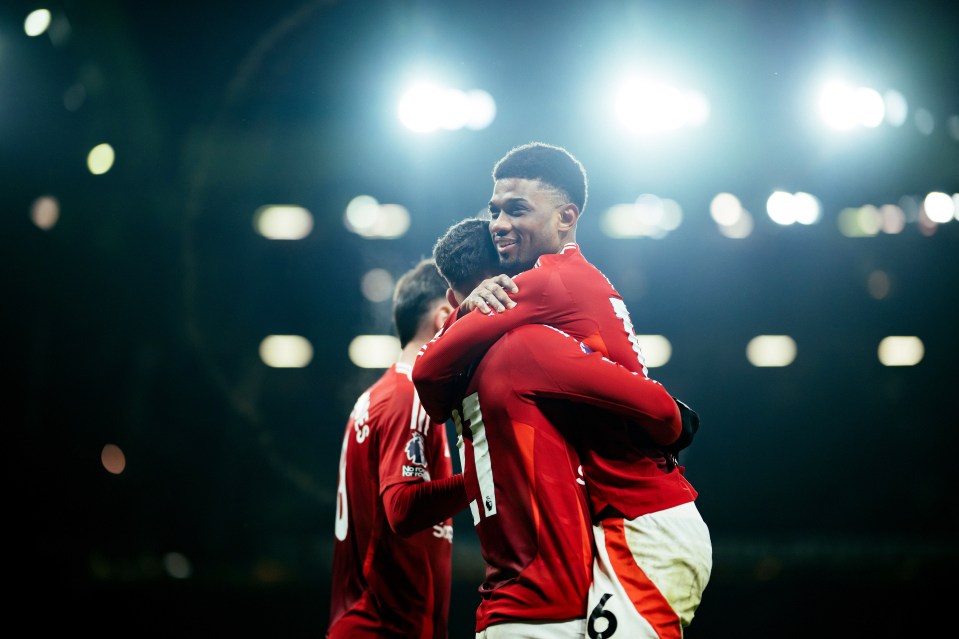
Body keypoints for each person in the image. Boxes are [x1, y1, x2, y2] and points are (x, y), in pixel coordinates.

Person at [414, 143, 711, 638]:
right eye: (495, 210)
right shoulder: (566, 279)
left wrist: (466, 313)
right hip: (626, 521)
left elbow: (429, 376)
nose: (500, 223)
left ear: (566, 217)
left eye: (518, 209)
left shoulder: (544, 283)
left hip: (643, 522)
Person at [328, 259, 468, 639]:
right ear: (444, 318)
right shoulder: (408, 396)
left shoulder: (382, 395)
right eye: (467, 309)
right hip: (384, 628)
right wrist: (485, 477)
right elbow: (402, 508)